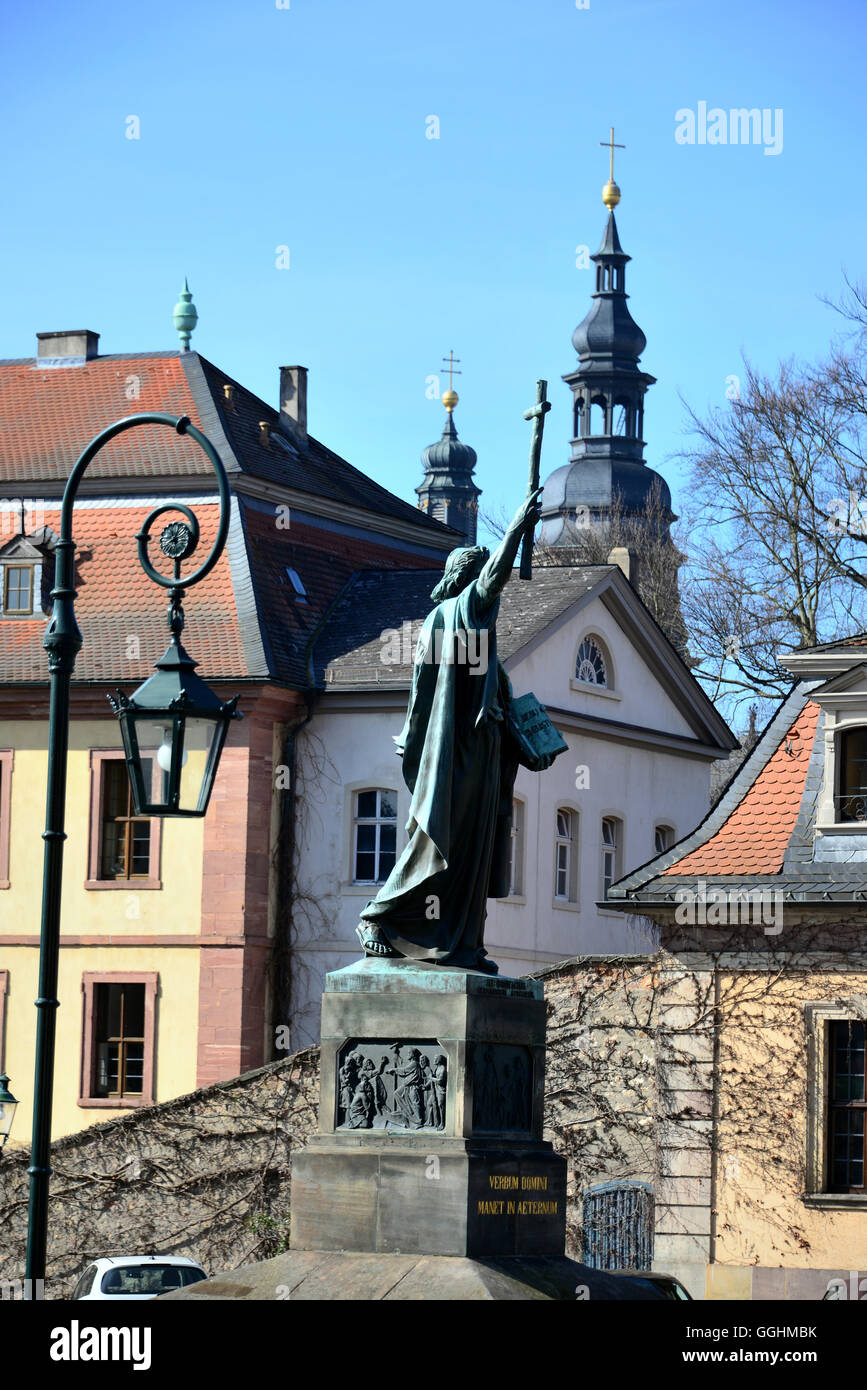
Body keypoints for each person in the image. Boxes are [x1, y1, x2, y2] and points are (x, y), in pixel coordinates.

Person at [356, 487, 552, 972]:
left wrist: (524, 742)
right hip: (457, 755)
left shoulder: (471, 635)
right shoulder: (456, 613)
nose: (490, 596)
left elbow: (500, 702)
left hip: (479, 755)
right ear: (465, 579)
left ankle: (461, 942)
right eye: (479, 577)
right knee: (439, 841)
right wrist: (516, 531)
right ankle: (377, 918)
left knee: (472, 854)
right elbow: (493, 581)